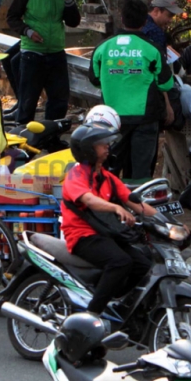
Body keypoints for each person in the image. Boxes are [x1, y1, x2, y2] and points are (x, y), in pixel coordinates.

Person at [61, 117, 159, 315]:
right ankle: (93, 313)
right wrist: (115, 208)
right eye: (101, 144)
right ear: (88, 149)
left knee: (145, 266)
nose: (107, 147)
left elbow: (138, 204)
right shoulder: (76, 175)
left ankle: (121, 305)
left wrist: (169, 224)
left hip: (104, 234)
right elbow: (89, 200)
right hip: (82, 236)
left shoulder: (107, 177)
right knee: (120, 261)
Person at [88, 0, 173, 180]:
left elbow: (95, 80)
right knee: (141, 173)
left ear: (122, 19)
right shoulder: (152, 49)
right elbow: (165, 83)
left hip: (111, 120)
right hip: (146, 118)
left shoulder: (103, 47)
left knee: (110, 169)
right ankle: (139, 206)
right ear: (145, 21)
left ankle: (110, 205)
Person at [7, 0, 81, 124]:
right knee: (28, 100)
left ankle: (51, 137)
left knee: (59, 100)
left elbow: (73, 21)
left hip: (56, 53)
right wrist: (28, 31)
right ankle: (23, 138)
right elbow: (12, 17)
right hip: (32, 53)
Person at [2, 0, 48, 101]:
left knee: (14, 62)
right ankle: (22, 101)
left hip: (40, 33)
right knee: (8, 58)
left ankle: (26, 103)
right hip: (29, 31)